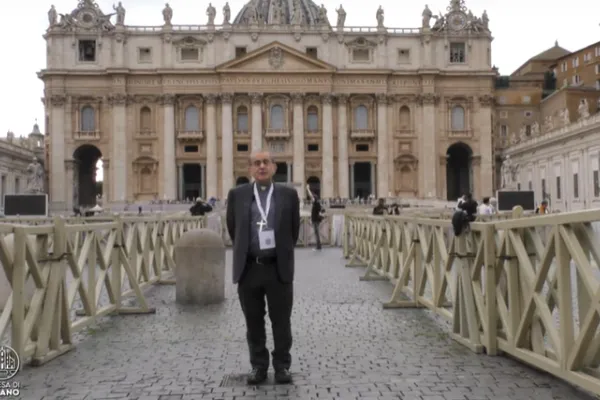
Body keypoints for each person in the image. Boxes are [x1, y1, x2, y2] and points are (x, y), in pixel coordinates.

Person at [225, 149, 300, 385]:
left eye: (266, 162)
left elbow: (293, 230)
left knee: (282, 321)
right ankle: (258, 366)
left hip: (277, 267)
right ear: (249, 169)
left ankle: (282, 367)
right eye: (256, 163)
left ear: (274, 167)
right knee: (253, 322)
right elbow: (233, 228)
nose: (261, 167)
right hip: (249, 268)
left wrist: (282, 253)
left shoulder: (289, 195)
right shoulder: (237, 195)